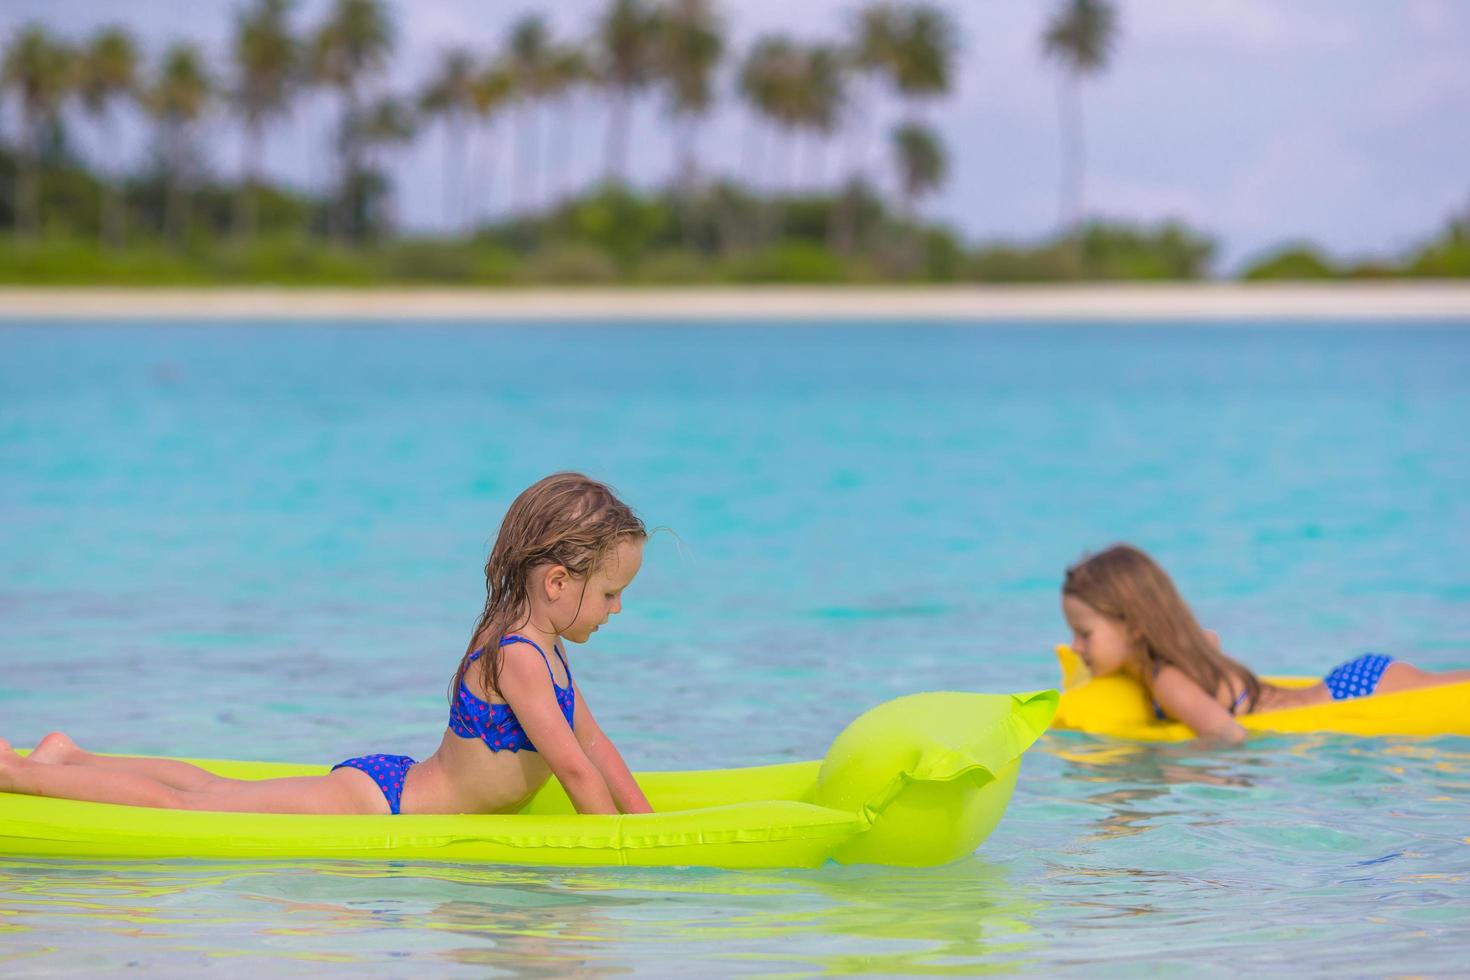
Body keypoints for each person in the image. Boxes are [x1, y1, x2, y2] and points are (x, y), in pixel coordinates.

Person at [0, 472, 653, 817]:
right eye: (609, 594)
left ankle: (70, 755)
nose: (617, 608)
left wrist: (646, 824)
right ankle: (19, 774)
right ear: (557, 580)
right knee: (196, 806)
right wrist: (614, 861)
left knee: (215, 786)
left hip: (401, 787)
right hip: (384, 807)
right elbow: (571, 770)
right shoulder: (518, 654)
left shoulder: (547, 642)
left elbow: (594, 746)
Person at [1061, 544, 1470, 743]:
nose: (1076, 646)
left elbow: (1227, 735)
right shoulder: (1182, 653)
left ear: (1133, 627)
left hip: (1353, 697)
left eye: (1085, 634)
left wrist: (1157, 760)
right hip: (1353, 681)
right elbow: (1209, 639)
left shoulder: (1165, 678)